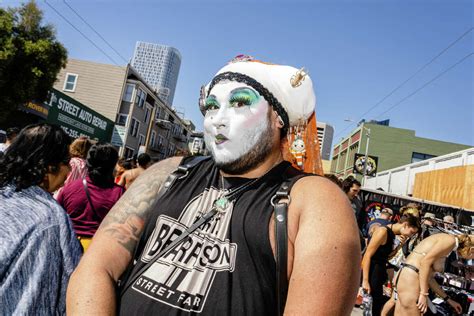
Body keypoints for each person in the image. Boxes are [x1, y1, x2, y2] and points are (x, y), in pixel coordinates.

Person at [67, 55, 361, 315]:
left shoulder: (314, 200)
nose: (217, 119)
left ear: (278, 119)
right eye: (211, 106)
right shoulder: (168, 172)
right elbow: (96, 267)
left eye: (240, 102)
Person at [0, 123, 82, 315]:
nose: (69, 172)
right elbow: (47, 295)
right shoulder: (50, 219)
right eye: (66, 163)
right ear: (49, 166)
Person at [57, 144, 124, 252]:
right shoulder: (120, 193)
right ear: (113, 165)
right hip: (98, 251)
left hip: (67, 247)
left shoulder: (70, 188)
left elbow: (57, 216)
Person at [392, 233, 473, 315]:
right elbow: (425, 263)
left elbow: (429, 277)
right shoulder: (450, 241)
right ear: (472, 250)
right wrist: (423, 294)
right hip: (412, 279)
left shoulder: (447, 240)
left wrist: (448, 299)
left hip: (407, 276)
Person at [362, 213, 420, 315]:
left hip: (378, 272)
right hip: (372, 270)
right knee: (373, 307)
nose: (410, 235)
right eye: (411, 232)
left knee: (375, 306)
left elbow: (387, 257)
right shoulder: (383, 231)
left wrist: (399, 246)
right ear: (405, 225)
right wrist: (365, 281)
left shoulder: (393, 234)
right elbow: (367, 255)